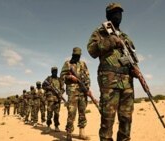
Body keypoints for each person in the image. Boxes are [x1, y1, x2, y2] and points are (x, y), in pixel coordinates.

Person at [87, 3, 138, 141]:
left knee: (126, 118)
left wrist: (135, 70)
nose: (118, 15)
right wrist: (111, 41)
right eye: (114, 12)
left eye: (120, 12)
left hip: (127, 82)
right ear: (108, 15)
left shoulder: (126, 37)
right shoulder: (100, 32)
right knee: (107, 119)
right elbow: (92, 50)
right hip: (109, 81)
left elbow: (133, 58)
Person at [60, 47, 91, 141]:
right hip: (72, 92)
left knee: (82, 112)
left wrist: (87, 88)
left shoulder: (83, 64)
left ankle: (82, 132)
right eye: (75, 55)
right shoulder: (67, 63)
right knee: (71, 112)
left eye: (78, 56)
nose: (77, 57)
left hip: (83, 91)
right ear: (72, 54)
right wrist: (70, 77)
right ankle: (69, 133)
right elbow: (62, 76)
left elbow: (87, 77)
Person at [42, 66, 65, 133]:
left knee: (56, 114)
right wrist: (48, 88)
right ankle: (48, 126)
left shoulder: (59, 79)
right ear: (51, 72)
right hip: (50, 100)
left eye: (56, 71)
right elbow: (43, 86)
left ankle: (56, 126)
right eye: (53, 71)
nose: (55, 72)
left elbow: (63, 89)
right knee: (49, 114)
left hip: (57, 100)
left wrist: (60, 93)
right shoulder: (48, 79)